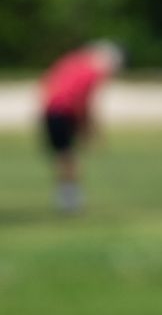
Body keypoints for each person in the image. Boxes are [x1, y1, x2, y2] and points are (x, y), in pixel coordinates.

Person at [39, 39, 124, 214]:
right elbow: (84, 102)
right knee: (68, 156)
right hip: (62, 112)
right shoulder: (91, 72)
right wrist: (90, 128)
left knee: (63, 156)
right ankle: (70, 199)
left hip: (51, 109)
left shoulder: (72, 60)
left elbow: (48, 82)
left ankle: (67, 196)